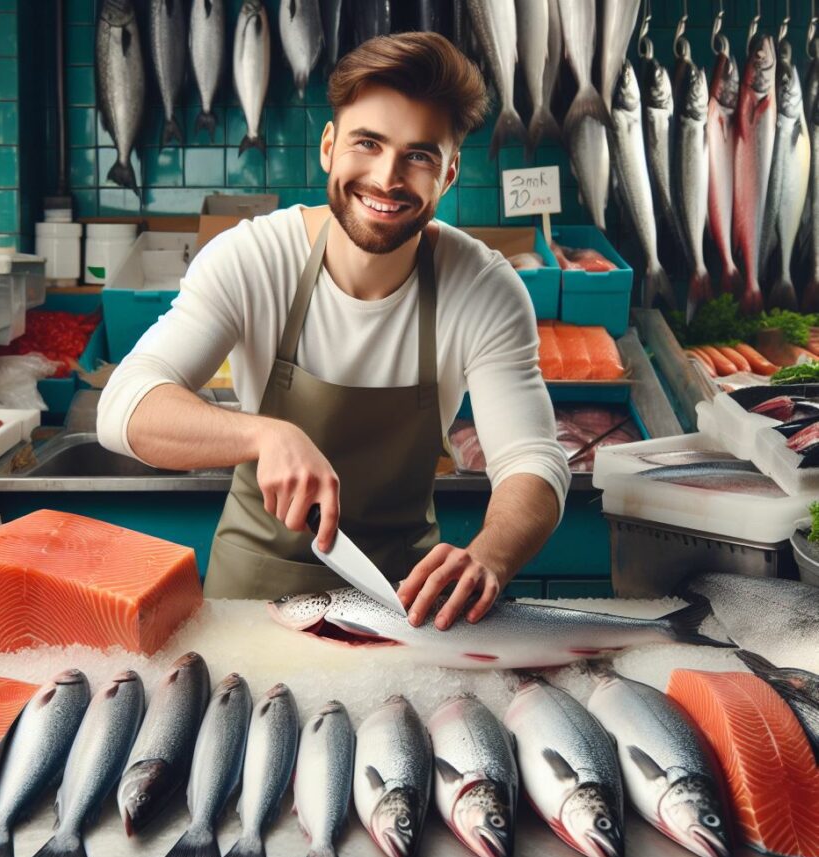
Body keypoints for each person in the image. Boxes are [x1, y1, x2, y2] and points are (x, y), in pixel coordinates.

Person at [97, 32, 570, 629]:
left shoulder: (483, 287)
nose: (386, 177)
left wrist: (491, 557)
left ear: (449, 174)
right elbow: (123, 407)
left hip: (406, 607)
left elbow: (533, 459)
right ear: (328, 146)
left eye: (419, 156)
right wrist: (265, 436)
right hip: (250, 607)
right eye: (367, 143)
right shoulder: (253, 257)